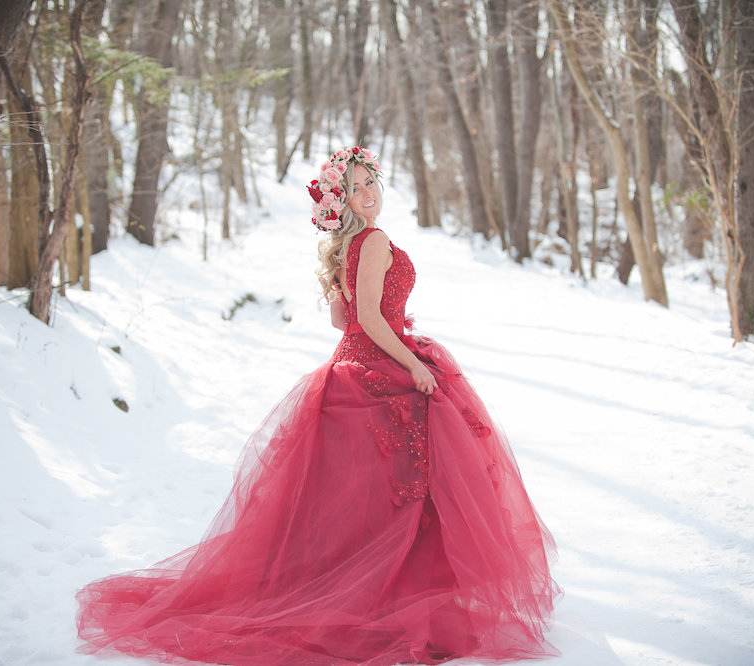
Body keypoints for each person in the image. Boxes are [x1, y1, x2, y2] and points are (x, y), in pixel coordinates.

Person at [76, 146, 559, 665]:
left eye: (372, 181)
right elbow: (371, 320)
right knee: (410, 487)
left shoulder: (346, 248)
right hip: (380, 367)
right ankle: (389, 599)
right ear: (344, 201)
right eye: (357, 188)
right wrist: (415, 364)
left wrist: (348, 292)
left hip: (349, 367)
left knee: (360, 497)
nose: (370, 192)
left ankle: (365, 592)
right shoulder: (372, 241)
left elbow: (340, 321)